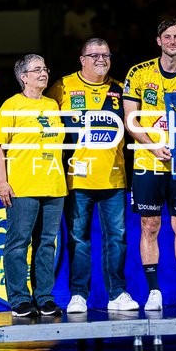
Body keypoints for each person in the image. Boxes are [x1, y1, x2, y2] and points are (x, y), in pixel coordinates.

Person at [47, 38, 139, 314]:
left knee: (117, 237)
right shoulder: (62, 87)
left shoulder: (120, 89)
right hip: (77, 178)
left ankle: (118, 293)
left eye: (106, 55)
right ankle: (78, 295)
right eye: (94, 54)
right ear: (82, 59)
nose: (101, 59)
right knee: (78, 238)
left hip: (114, 178)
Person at [122, 18, 176, 311]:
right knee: (150, 226)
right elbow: (130, 120)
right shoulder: (138, 73)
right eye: (167, 37)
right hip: (148, 162)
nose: (172, 41)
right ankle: (154, 292)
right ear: (158, 41)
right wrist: (153, 147)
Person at [0, 54, 67, 318]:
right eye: (37, 70)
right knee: (18, 243)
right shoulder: (12, 105)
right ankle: (20, 299)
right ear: (24, 77)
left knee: (47, 244)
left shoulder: (53, 104)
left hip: (54, 185)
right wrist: (1, 182)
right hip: (22, 186)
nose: (43, 73)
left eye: (45, 68)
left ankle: (44, 297)